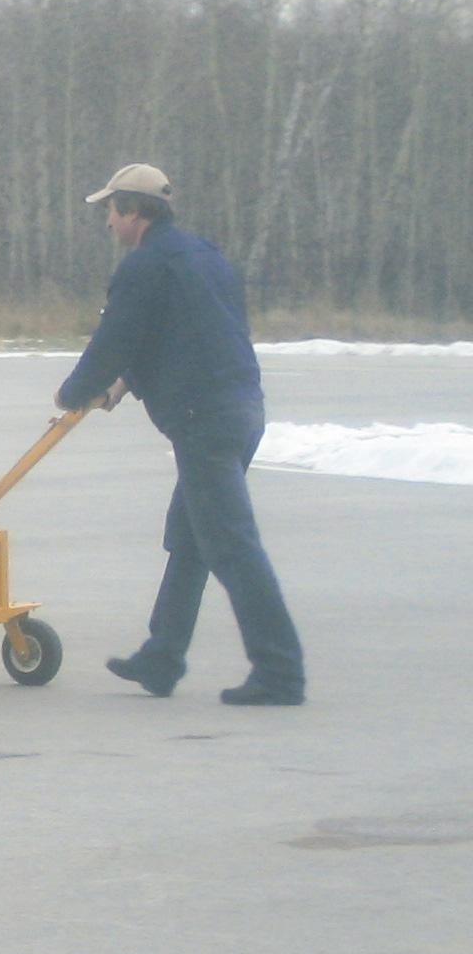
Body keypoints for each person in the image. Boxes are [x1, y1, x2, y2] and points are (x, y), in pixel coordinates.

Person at [55, 164, 306, 706]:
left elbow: (115, 339)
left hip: (204, 420)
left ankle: (281, 673)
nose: (106, 222)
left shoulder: (144, 267)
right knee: (192, 537)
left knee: (232, 547)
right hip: (241, 409)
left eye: (110, 211)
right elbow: (182, 334)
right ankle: (162, 657)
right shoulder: (204, 256)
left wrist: (75, 392)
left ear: (133, 211)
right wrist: (122, 385)